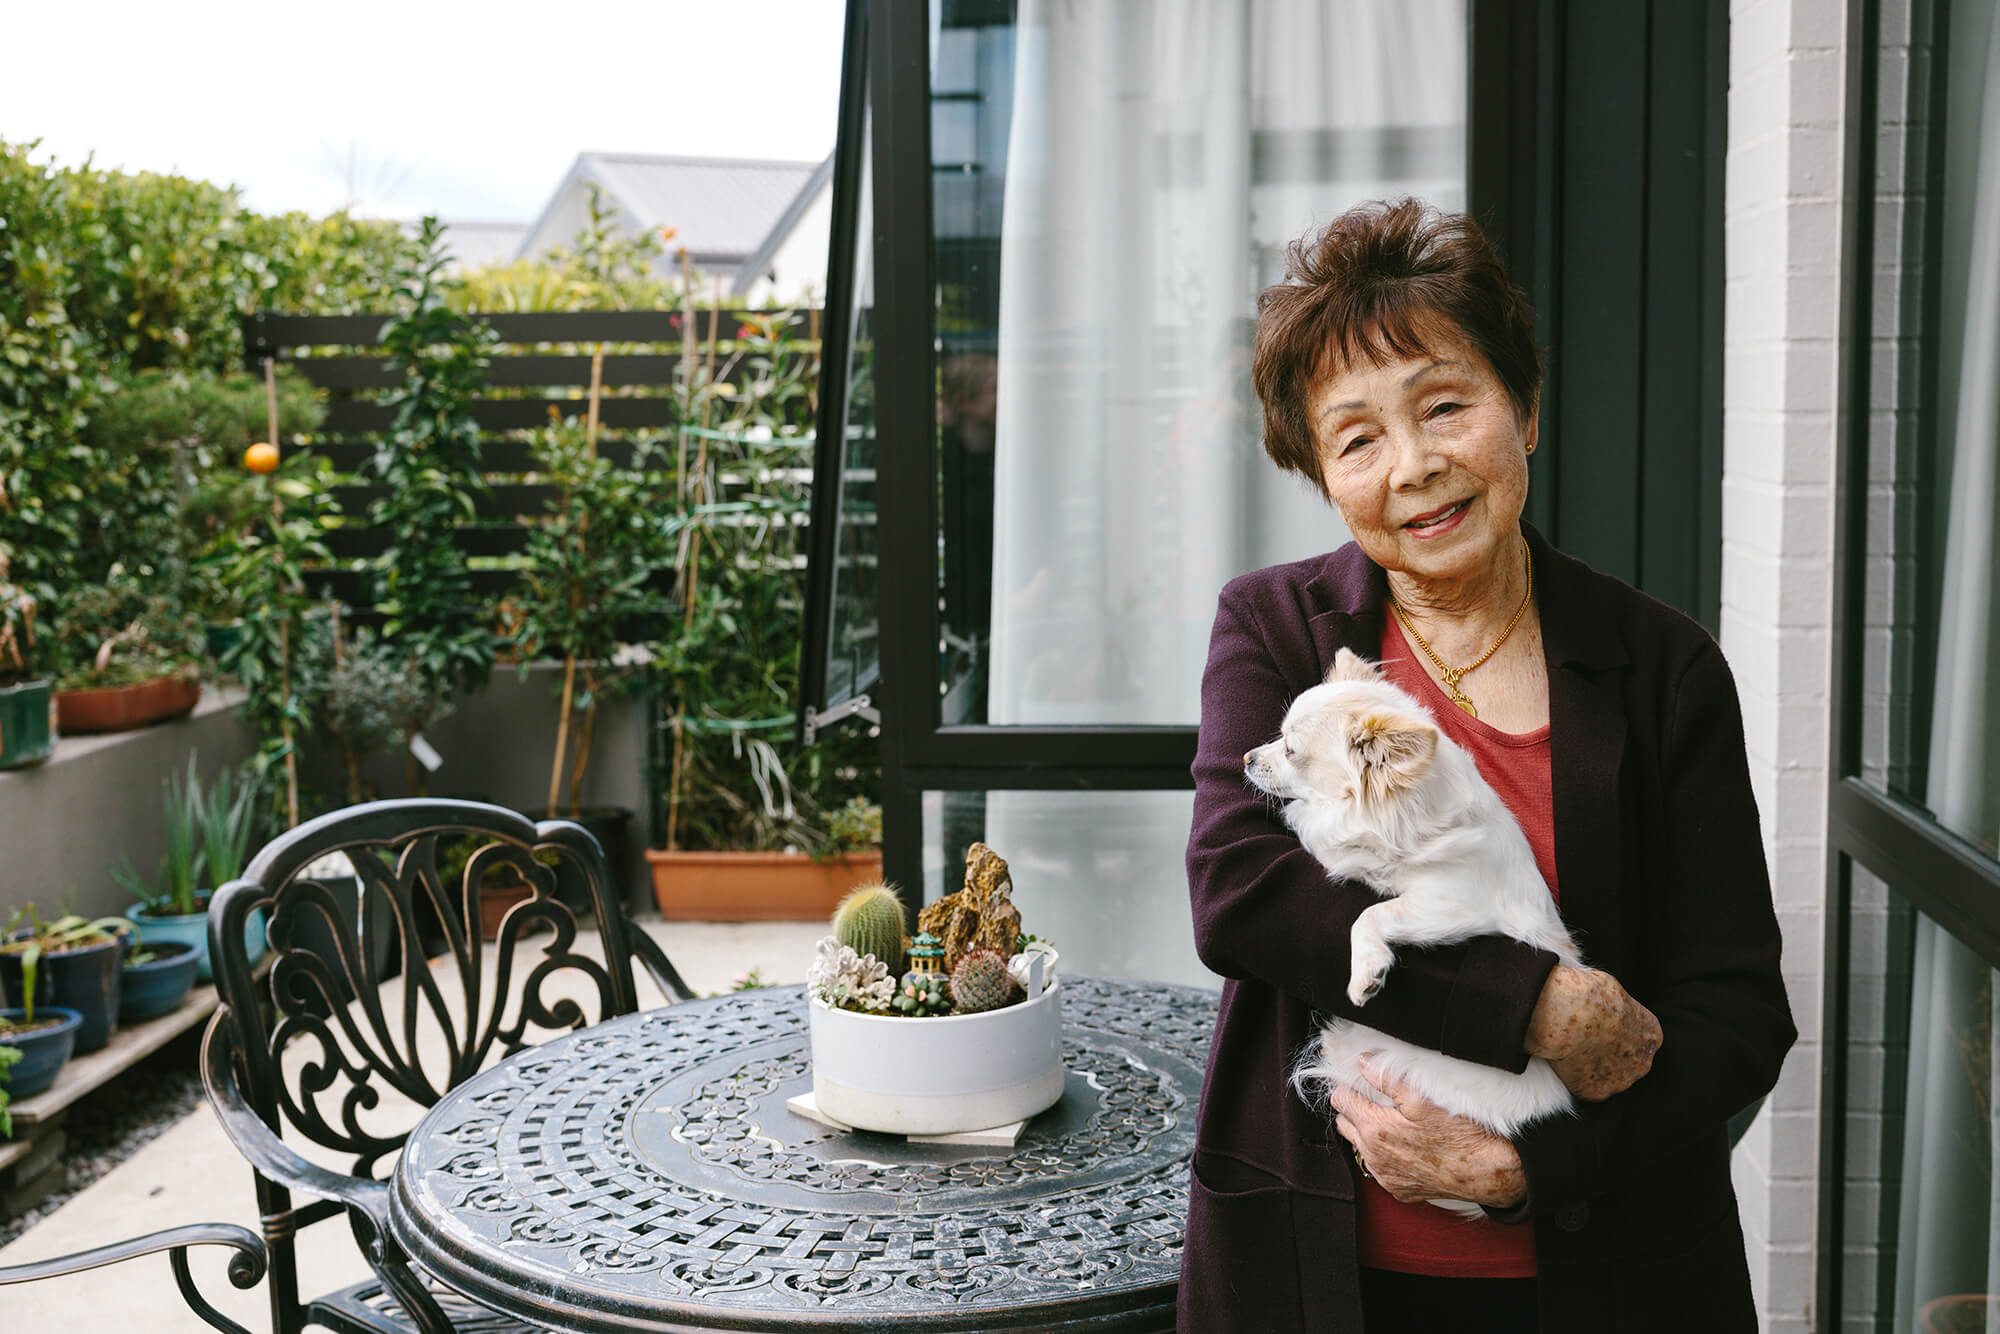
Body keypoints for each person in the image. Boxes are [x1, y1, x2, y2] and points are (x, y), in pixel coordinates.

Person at [1179, 199, 1796, 1333]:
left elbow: (1734, 1012)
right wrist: (1526, 1006)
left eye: (1444, 404)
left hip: (1608, 1278)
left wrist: (1538, 1165)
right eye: (1356, 436)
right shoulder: (1272, 628)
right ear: (1322, 473)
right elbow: (1241, 892)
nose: (1413, 465)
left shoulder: (1659, 666)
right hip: (1320, 1277)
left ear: (1524, 410)